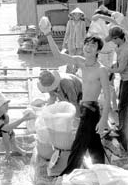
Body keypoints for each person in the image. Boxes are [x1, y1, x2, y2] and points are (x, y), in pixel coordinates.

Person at [39, 16, 110, 175]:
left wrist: (104, 119)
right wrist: (48, 34)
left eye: (93, 45)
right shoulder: (80, 61)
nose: (88, 47)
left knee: (78, 145)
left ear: (98, 50)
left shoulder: (101, 69)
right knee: (94, 144)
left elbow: (107, 95)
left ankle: (67, 176)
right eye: (87, 44)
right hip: (85, 108)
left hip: (92, 110)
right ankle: (101, 171)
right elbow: (58, 55)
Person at [106, 26, 128, 152]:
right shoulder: (120, 46)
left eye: (113, 40)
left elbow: (120, 69)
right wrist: (113, 65)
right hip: (125, 79)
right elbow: (117, 64)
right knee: (121, 104)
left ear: (118, 38)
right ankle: (121, 128)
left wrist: (109, 70)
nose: (112, 42)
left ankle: (124, 134)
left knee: (124, 107)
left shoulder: (125, 51)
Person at [62, 7, 86, 73]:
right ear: (72, 15)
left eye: (78, 14)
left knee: (78, 59)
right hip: (71, 43)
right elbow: (67, 33)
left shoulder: (82, 23)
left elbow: (84, 34)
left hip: (80, 43)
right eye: (75, 14)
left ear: (81, 15)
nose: (77, 16)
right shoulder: (69, 22)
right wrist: (64, 43)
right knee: (70, 58)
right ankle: (68, 71)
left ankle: (74, 72)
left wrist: (85, 43)